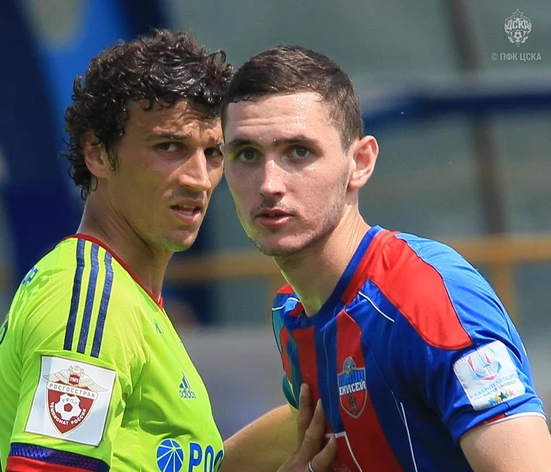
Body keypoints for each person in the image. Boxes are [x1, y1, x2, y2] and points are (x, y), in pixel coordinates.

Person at [220, 44, 551, 471]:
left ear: (360, 162)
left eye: (299, 152)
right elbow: (315, 415)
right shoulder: (291, 310)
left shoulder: (426, 298)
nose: (269, 183)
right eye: (247, 154)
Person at [0, 30, 233, 472]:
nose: (198, 178)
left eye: (213, 152)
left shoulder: (128, 298)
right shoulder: (90, 295)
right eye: (169, 146)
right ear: (97, 154)